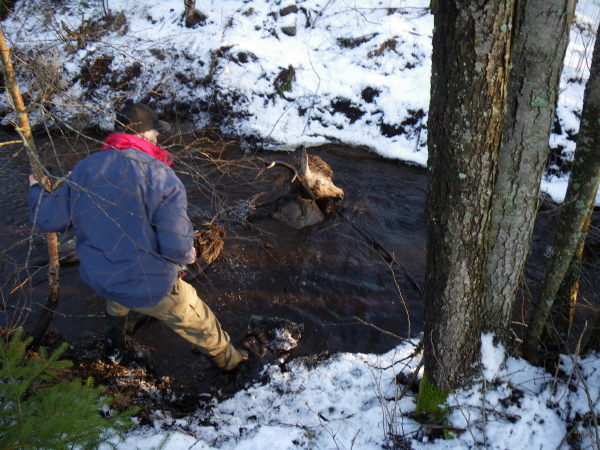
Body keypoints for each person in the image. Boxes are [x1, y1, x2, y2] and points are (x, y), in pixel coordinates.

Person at [28, 103, 250, 370]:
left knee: (118, 296)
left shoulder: (84, 169)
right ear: (144, 135)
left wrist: (37, 191)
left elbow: (47, 218)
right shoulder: (161, 175)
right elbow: (177, 247)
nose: (159, 136)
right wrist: (190, 254)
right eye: (156, 132)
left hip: (102, 277)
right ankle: (233, 363)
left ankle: (113, 348)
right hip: (150, 285)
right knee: (199, 320)